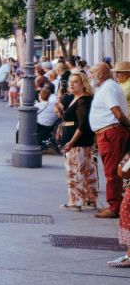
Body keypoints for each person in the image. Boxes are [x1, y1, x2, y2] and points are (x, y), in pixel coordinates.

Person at [89, 63, 130, 218]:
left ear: (100, 74)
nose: (90, 75)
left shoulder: (108, 88)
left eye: (92, 72)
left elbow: (117, 113)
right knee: (112, 170)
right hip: (108, 133)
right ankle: (115, 204)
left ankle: (115, 207)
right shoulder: (106, 87)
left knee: (112, 172)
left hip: (111, 133)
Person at [59, 73, 98, 211]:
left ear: (83, 84)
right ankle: (89, 199)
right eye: (70, 81)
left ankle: (75, 202)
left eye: (75, 82)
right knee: (87, 171)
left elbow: (82, 125)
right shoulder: (75, 98)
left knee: (75, 171)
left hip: (77, 142)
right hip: (81, 141)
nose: (71, 84)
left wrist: (71, 142)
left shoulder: (82, 100)